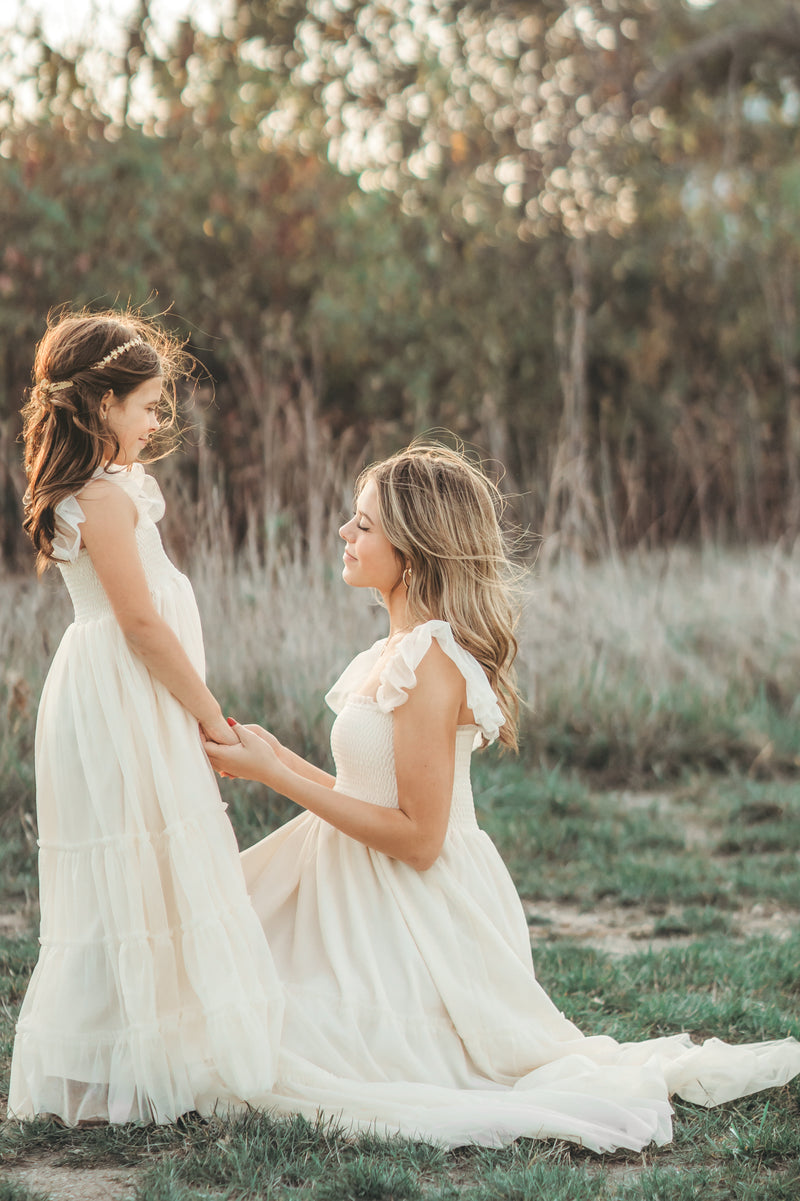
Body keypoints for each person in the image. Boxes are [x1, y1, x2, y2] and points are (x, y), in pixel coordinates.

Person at [205, 443, 800, 1154]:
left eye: (363, 524)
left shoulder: (431, 661)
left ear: (414, 546)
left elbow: (420, 838)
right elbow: (373, 794)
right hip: (358, 890)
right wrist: (277, 757)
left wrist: (279, 777)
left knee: (294, 1050)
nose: (344, 534)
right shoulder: (392, 649)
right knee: (226, 1002)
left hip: (415, 912)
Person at [9, 309, 283, 1126]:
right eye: (149, 405)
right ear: (101, 405)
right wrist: (212, 717)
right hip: (126, 696)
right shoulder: (96, 497)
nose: (159, 420)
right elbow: (140, 624)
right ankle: (126, 1067)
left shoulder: (111, 489)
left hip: (122, 693)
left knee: (148, 864)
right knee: (130, 861)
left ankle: (150, 1048)